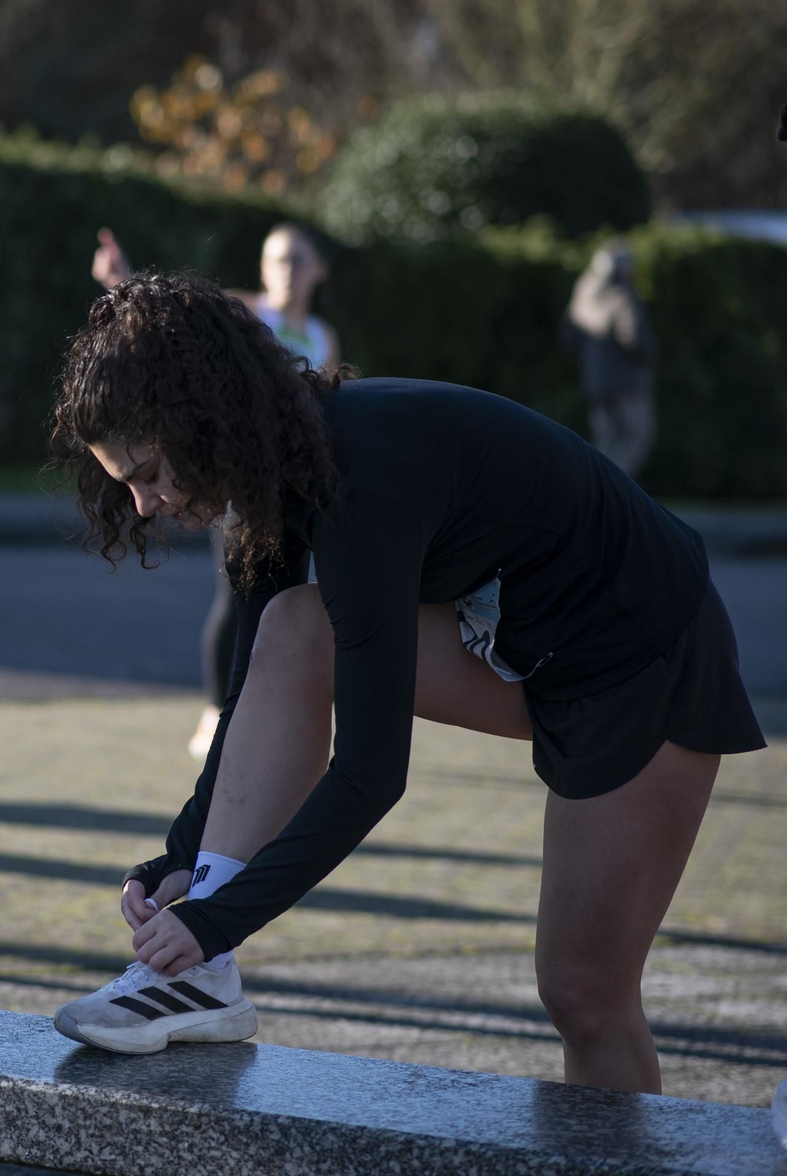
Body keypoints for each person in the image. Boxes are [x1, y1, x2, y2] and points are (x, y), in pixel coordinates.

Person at [49, 273, 763, 1093]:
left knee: (584, 994)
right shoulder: (274, 475)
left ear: (200, 420)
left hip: (644, 656)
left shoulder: (361, 474)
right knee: (293, 628)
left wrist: (216, 923)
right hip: (532, 649)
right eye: (123, 483)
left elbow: (371, 774)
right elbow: (252, 691)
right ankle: (199, 982)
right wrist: (182, 861)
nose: (141, 505)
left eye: (146, 470)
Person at [91, 224, 340, 758]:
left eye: (297, 261)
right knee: (237, 593)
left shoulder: (321, 335)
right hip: (238, 482)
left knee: (291, 596)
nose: (286, 272)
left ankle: (273, 712)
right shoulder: (251, 315)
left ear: (320, 271)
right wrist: (123, 281)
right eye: (275, 260)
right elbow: (174, 319)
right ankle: (216, 710)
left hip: (288, 484)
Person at [560, 240, 658, 479]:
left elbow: (568, 336)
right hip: (627, 382)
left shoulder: (583, 292)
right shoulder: (621, 293)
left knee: (605, 441)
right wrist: (649, 356)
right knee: (639, 435)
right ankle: (613, 487)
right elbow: (633, 337)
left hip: (595, 381)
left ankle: (597, 488)